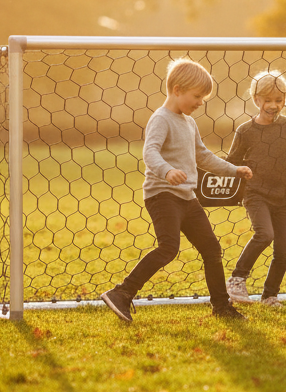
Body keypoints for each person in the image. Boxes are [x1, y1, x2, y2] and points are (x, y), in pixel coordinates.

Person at [100, 57, 253, 324]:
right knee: (169, 248)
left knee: (211, 249)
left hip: (187, 198)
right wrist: (167, 171)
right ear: (177, 89)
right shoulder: (161, 119)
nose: (200, 102)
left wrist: (233, 170)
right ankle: (121, 293)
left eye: (203, 98)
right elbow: (150, 152)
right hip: (162, 195)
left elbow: (202, 156)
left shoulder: (189, 123)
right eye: (197, 96)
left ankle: (221, 306)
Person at [224, 70, 286, 308]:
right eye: (267, 100)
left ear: (285, 99)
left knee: (285, 249)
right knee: (265, 234)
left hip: (283, 197)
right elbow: (231, 161)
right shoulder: (245, 131)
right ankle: (237, 279)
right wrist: (237, 172)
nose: (273, 105)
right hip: (255, 194)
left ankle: (270, 296)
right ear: (256, 99)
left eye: (279, 100)